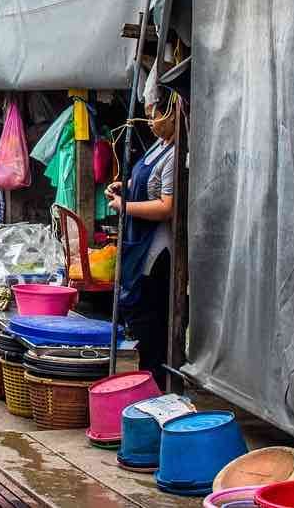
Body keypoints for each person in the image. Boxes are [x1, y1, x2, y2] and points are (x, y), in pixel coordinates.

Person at [105, 92, 179, 388]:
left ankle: (156, 381)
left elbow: (166, 206)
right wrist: (126, 185)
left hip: (158, 247)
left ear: (171, 115)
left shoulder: (175, 155)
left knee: (151, 318)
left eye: (154, 116)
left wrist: (124, 206)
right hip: (139, 239)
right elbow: (144, 181)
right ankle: (148, 377)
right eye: (147, 116)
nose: (149, 122)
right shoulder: (159, 146)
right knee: (139, 312)